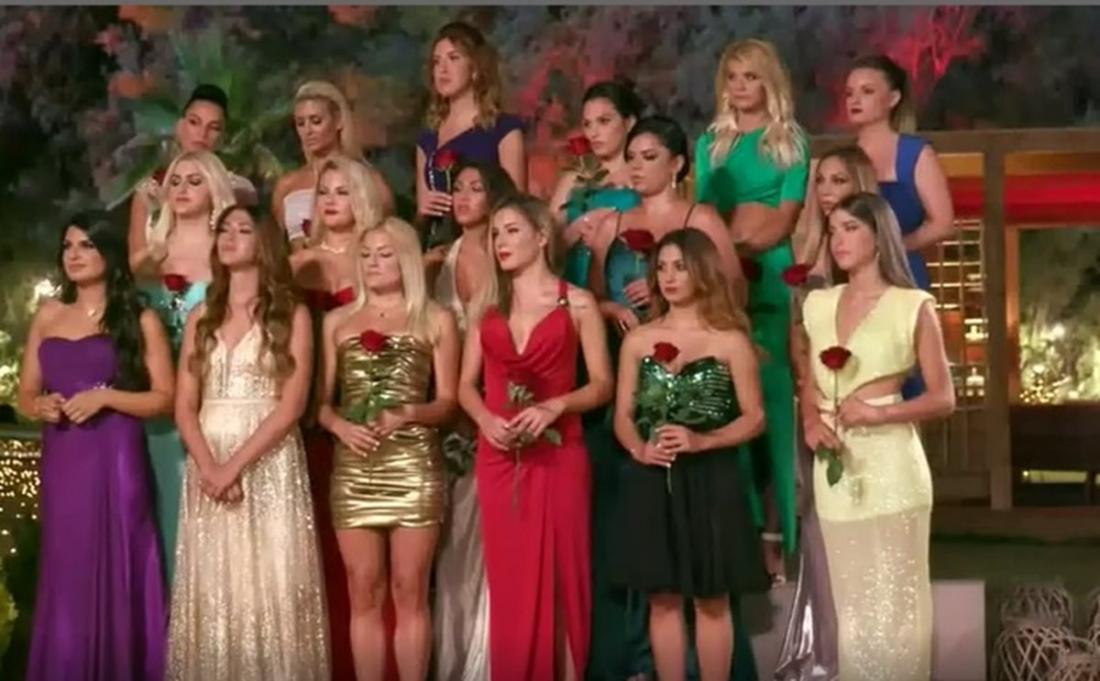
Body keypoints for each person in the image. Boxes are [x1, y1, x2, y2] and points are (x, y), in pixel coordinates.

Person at [166, 205, 329, 680]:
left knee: (270, 579)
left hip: (267, 458)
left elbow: (292, 405)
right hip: (208, 460)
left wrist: (232, 467)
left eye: (243, 229)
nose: (230, 237)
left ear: (265, 243)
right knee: (217, 585)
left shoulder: (292, 315)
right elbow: (184, 406)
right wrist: (210, 468)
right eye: (224, 229)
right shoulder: (201, 316)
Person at [458, 194, 613, 680]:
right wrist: (485, 420)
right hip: (499, 459)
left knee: (565, 579)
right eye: (495, 234)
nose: (500, 242)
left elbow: (602, 384)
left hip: (559, 455)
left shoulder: (578, 303)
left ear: (542, 236)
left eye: (511, 231)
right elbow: (464, 386)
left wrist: (556, 405)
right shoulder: (486, 305)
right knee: (512, 582)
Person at [800, 192, 954, 680]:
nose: (838, 240)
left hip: (893, 470)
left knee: (898, 615)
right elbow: (808, 383)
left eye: (850, 228)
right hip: (836, 473)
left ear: (879, 236)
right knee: (853, 614)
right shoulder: (818, 304)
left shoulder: (912, 306)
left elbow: (943, 398)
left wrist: (877, 414)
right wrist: (811, 423)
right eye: (833, 230)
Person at [19, 215, 172, 681]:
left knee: (118, 561)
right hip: (64, 460)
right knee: (67, 569)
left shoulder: (140, 318)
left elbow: (164, 398)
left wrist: (106, 397)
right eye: (68, 246)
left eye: (86, 245)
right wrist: (40, 405)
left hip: (116, 460)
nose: (74, 255)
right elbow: (26, 394)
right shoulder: (48, 314)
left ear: (109, 252)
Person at [611, 228, 769, 681]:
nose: (668, 277)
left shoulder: (729, 340)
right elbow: (622, 415)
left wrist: (704, 441)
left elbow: (755, 417)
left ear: (702, 271)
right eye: (661, 267)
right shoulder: (639, 340)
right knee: (662, 599)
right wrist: (639, 448)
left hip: (712, 478)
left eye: (679, 267)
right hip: (652, 477)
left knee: (711, 599)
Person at [316, 217, 459, 681]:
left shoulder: (435, 318)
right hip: (355, 465)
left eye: (384, 254)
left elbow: (449, 402)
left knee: (408, 587)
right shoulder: (336, 322)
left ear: (407, 260)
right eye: (365, 255)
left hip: (413, 464)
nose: (373, 263)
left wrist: (408, 413)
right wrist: (339, 425)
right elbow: (320, 403)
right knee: (364, 589)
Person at [694, 38, 810, 585]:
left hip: (768, 281)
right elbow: (702, 214)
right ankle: (738, 544)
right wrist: (724, 262)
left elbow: (785, 218)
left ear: (770, 83)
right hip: (720, 283)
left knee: (776, 411)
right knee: (728, 407)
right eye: (733, 77)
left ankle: (784, 543)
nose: (741, 87)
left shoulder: (790, 142)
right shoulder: (710, 144)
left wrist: (740, 252)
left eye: (752, 76)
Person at [775, 145, 879, 681]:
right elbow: (798, 342)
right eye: (820, 181)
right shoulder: (805, 254)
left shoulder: (881, 263)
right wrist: (813, 410)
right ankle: (826, 657)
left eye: (839, 180)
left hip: (872, 411)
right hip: (815, 408)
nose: (827, 190)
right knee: (818, 528)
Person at [290, 154, 387, 681]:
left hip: (374, 421)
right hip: (311, 419)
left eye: (342, 191)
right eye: (323, 192)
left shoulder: (382, 258)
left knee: (374, 567)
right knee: (320, 551)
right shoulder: (298, 263)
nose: (330, 201)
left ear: (362, 198)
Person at [128, 149, 236, 585]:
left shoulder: (228, 252)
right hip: (156, 409)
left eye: (195, 181)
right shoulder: (147, 259)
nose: (183, 189)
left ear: (215, 189)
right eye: (175, 181)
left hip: (213, 399)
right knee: (160, 511)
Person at [429, 158, 516, 681]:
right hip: (449, 414)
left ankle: (490, 660)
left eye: (475, 187)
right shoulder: (441, 258)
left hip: (499, 411)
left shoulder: (509, 259)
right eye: (456, 188)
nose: (462, 196)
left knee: (494, 541)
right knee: (453, 543)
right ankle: (454, 659)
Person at [845, 55, 955, 399]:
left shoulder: (915, 153)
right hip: (853, 281)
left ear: (892, 98)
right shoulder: (843, 158)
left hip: (903, 278)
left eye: (866, 91)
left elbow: (943, 223)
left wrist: (892, 249)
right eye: (850, 93)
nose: (854, 100)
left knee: (907, 382)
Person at [417, 21, 526, 257]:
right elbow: (422, 209)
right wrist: (424, 210)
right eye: (437, 61)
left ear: (475, 68)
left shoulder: (503, 129)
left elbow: (517, 207)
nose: (442, 69)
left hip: (488, 249)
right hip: (439, 250)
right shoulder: (428, 136)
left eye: (453, 58)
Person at [127, 84, 256, 272]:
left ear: (222, 138)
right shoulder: (148, 192)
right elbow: (136, 265)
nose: (202, 134)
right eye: (194, 122)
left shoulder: (238, 190)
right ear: (179, 126)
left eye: (214, 128)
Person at [273, 80, 395, 250]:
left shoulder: (370, 181)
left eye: (316, 121)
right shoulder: (287, 185)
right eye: (300, 123)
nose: (308, 131)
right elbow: (278, 248)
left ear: (338, 121)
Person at [551, 80, 643, 291]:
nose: (593, 133)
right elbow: (545, 246)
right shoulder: (572, 180)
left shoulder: (642, 176)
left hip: (627, 288)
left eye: (604, 121)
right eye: (587, 124)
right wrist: (572, 233)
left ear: (629, 122)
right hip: (575, 288)